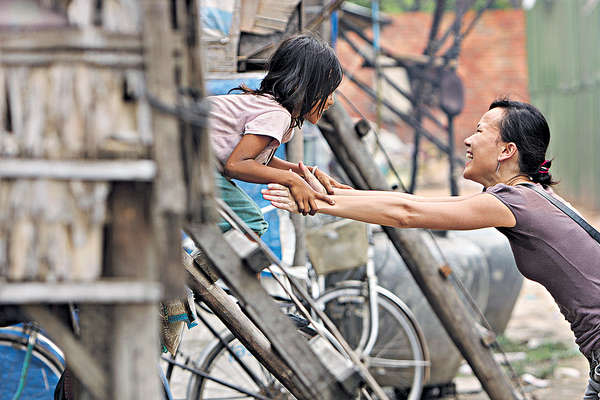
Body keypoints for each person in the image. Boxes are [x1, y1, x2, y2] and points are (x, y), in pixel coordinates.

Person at [262, 99, 600, 398]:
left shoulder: (515, 202)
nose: (468, 139)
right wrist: (332, 193)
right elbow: (408, 203)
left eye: (480, 131)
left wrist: (319, 204)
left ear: (506, 150)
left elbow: (408, 214)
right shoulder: (530, 196)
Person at [207, 33, 350, 236]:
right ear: (304, 86)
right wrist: (292, 181)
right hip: (186, 159)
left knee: (241, 224)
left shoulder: (275, 113)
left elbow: (259, 160)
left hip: (190, 156)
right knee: (250, 223)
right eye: (328, 91)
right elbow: (236, 165)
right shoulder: (276, 115)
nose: (331, 101)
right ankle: (222, 267)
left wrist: (307, 174)